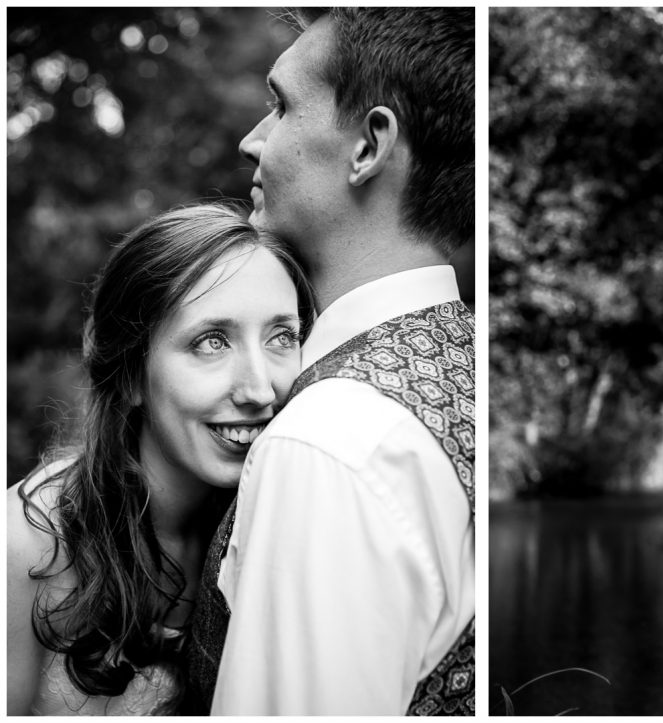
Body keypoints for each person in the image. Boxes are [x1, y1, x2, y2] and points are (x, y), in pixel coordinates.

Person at [182, 7, 476, 715]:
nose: (252, 140)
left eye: (280, 105)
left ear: (369, 146)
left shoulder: (330, 441)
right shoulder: (463, 360)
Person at [7, 204, 313, 715]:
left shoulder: (280, 525)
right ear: (130, 374)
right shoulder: (26, 541)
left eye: (282, 337)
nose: (261, 390)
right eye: (211, 342)